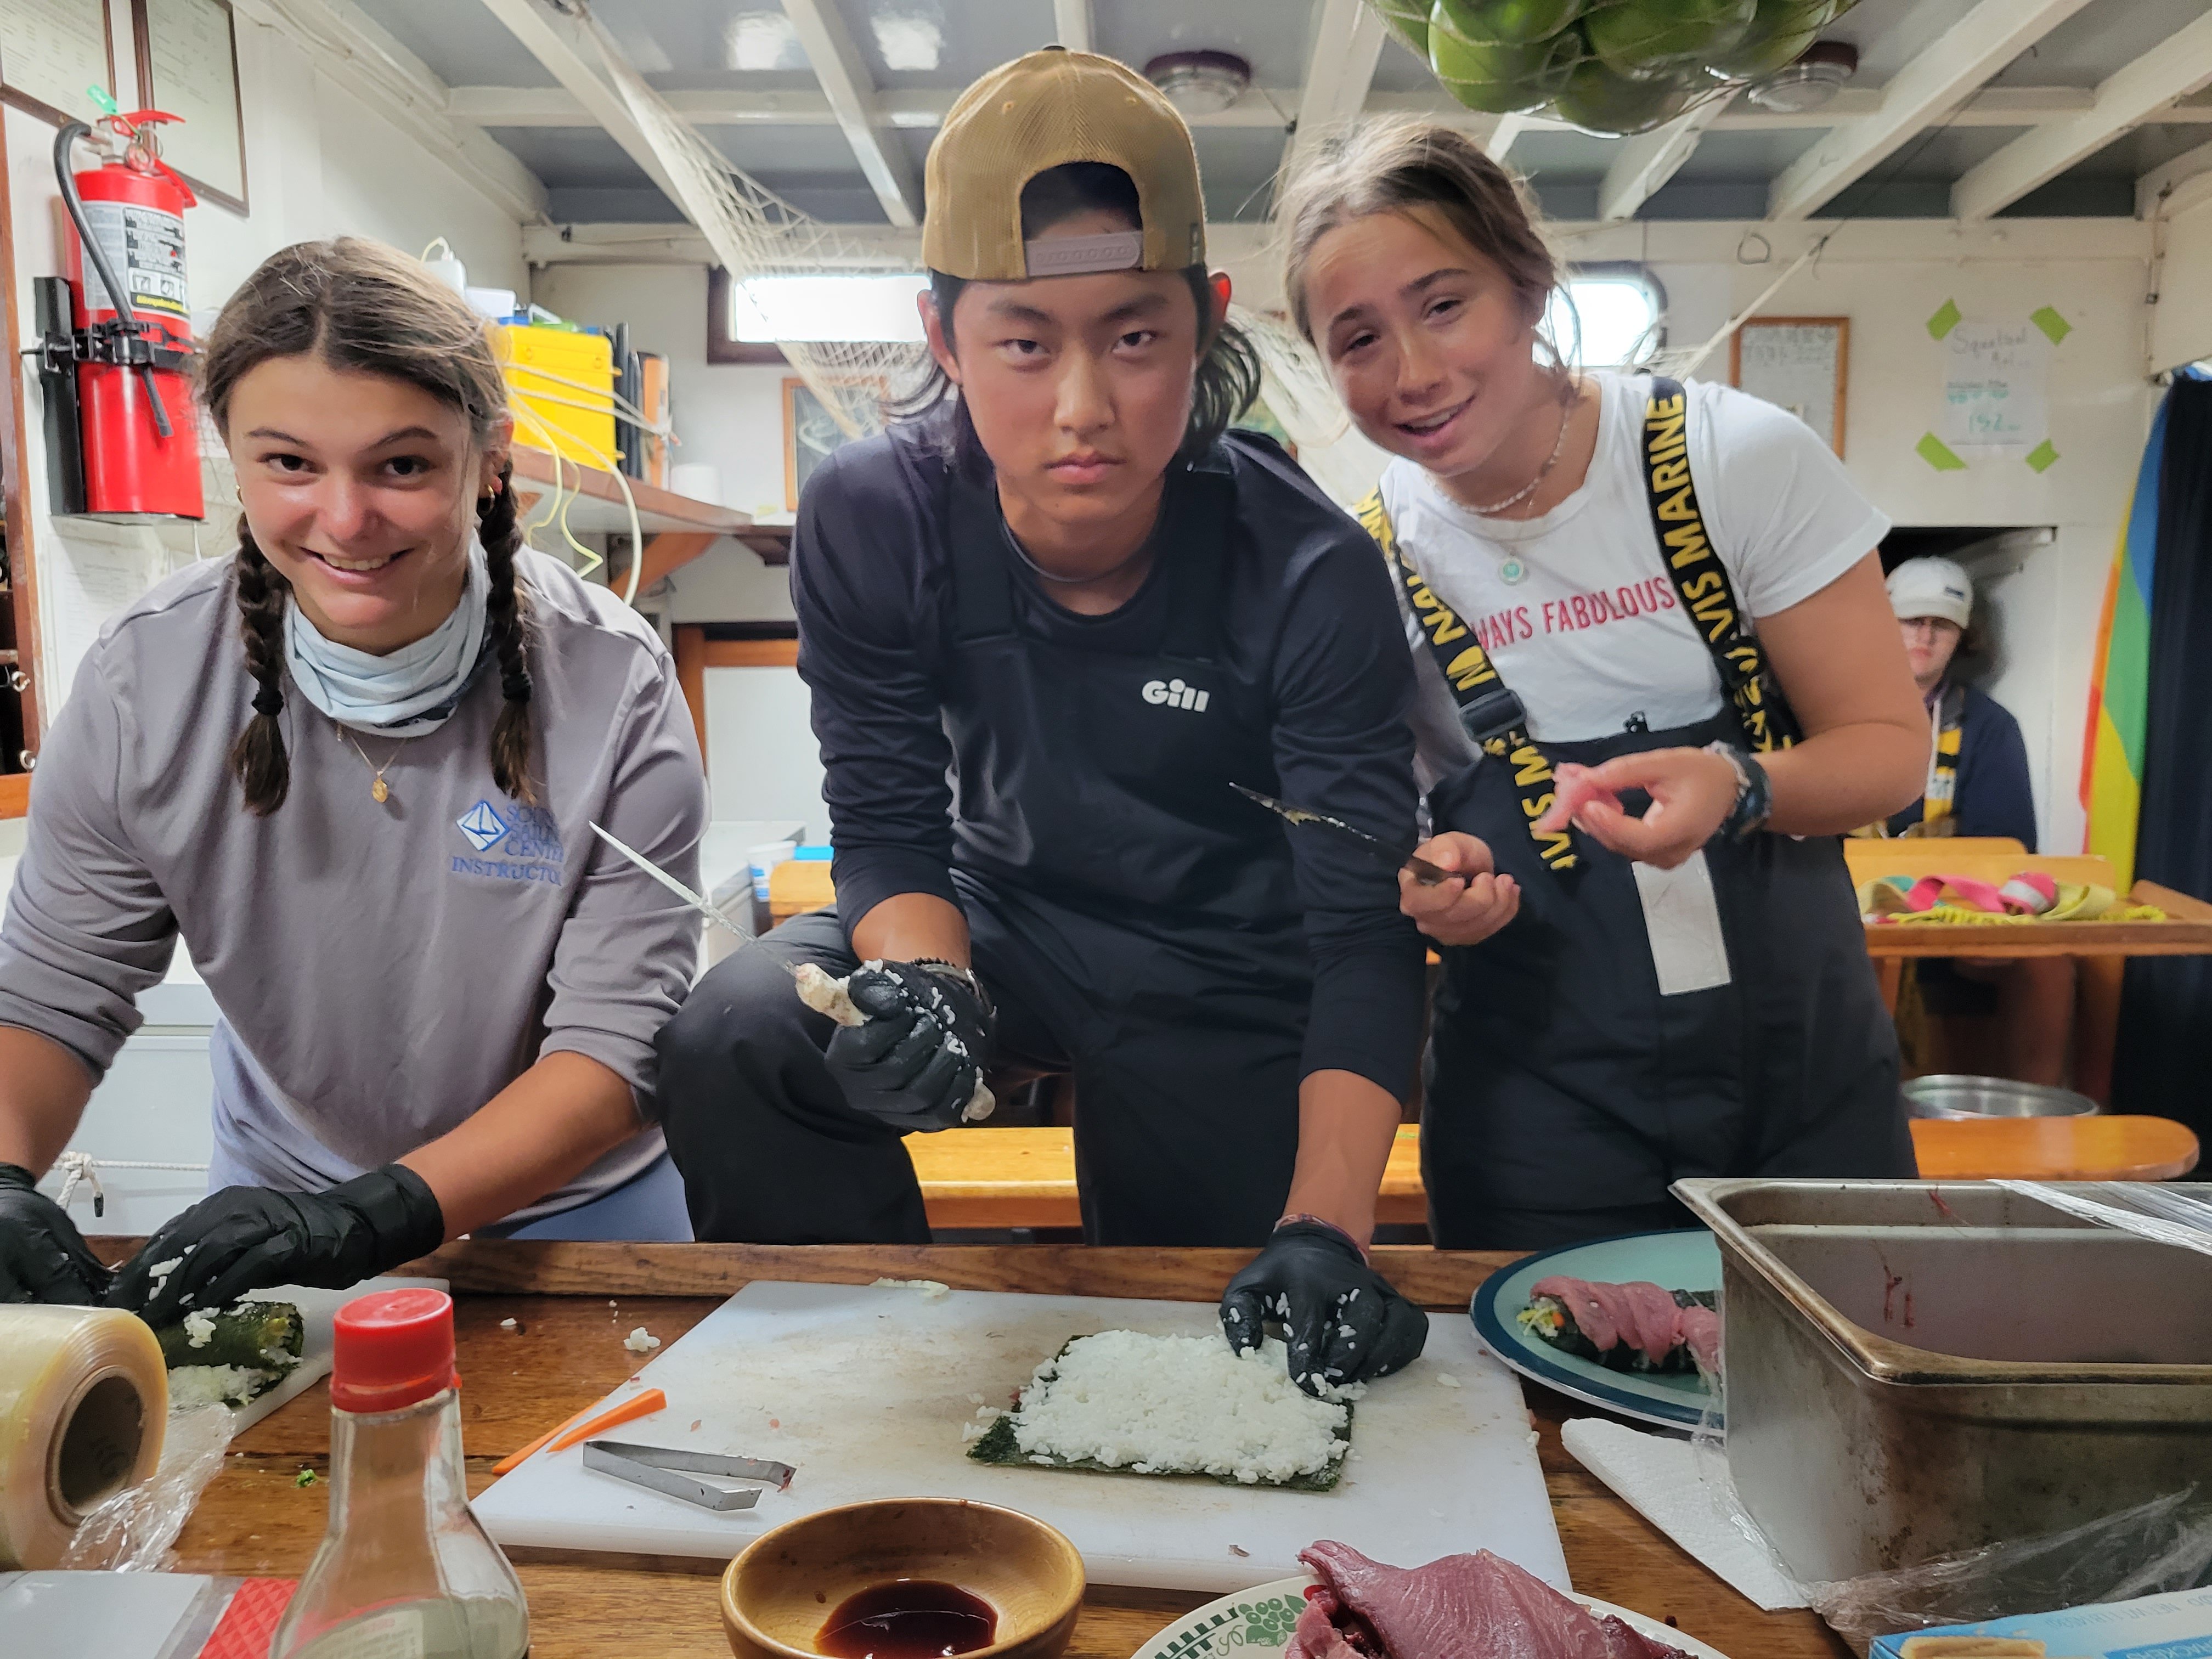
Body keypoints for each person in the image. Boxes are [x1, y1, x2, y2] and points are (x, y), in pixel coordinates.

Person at [657, 49, 1453, 1394]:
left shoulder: (1308, 570)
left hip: (1231, 962)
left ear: (1205, 320)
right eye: (1023, 342)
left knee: (1226, 1349)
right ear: (941, 336)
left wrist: (1327, 1226)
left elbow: (1357, 937)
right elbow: (892, 820)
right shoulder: (873, 517)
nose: (1084, 407)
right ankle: (851, 1378)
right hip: (1006, 916)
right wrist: (930, 985)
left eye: (1135, 337)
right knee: (739, 1029)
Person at [0, 238, 707, 1319]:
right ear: (231, 460)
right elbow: (52, 993)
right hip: (269, 1224)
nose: (343, 519)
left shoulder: (613, 684)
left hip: (572, 1227)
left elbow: (619, 1049)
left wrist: (377, 1220)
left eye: (403, 466)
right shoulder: (144, 683)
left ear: (491, 460)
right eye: (290, 464)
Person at [1277, 122, 1927, 1249]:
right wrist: (1433, 890)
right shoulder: (1362, 567)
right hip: (1540, 1108)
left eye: (1445, 305)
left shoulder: (1731, 458)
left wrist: (1742, 783)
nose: (1415, 374)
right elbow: (1393, 840)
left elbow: (1885, 749)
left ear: (1526, 285)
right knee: (1548, 1412)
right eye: (1360, 339)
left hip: (1809, 1086)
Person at [1876, 555, 2071, 1085]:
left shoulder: (1989, 726)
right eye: (1911, 619)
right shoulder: (1831, 713)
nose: (1925, 634)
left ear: (1963, 636)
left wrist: (1973, 919)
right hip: (1852, 912)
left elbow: (2008, 849)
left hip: (1951, 915)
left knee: (2046, 960)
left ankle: (2039, 1120)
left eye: (1941, 623)